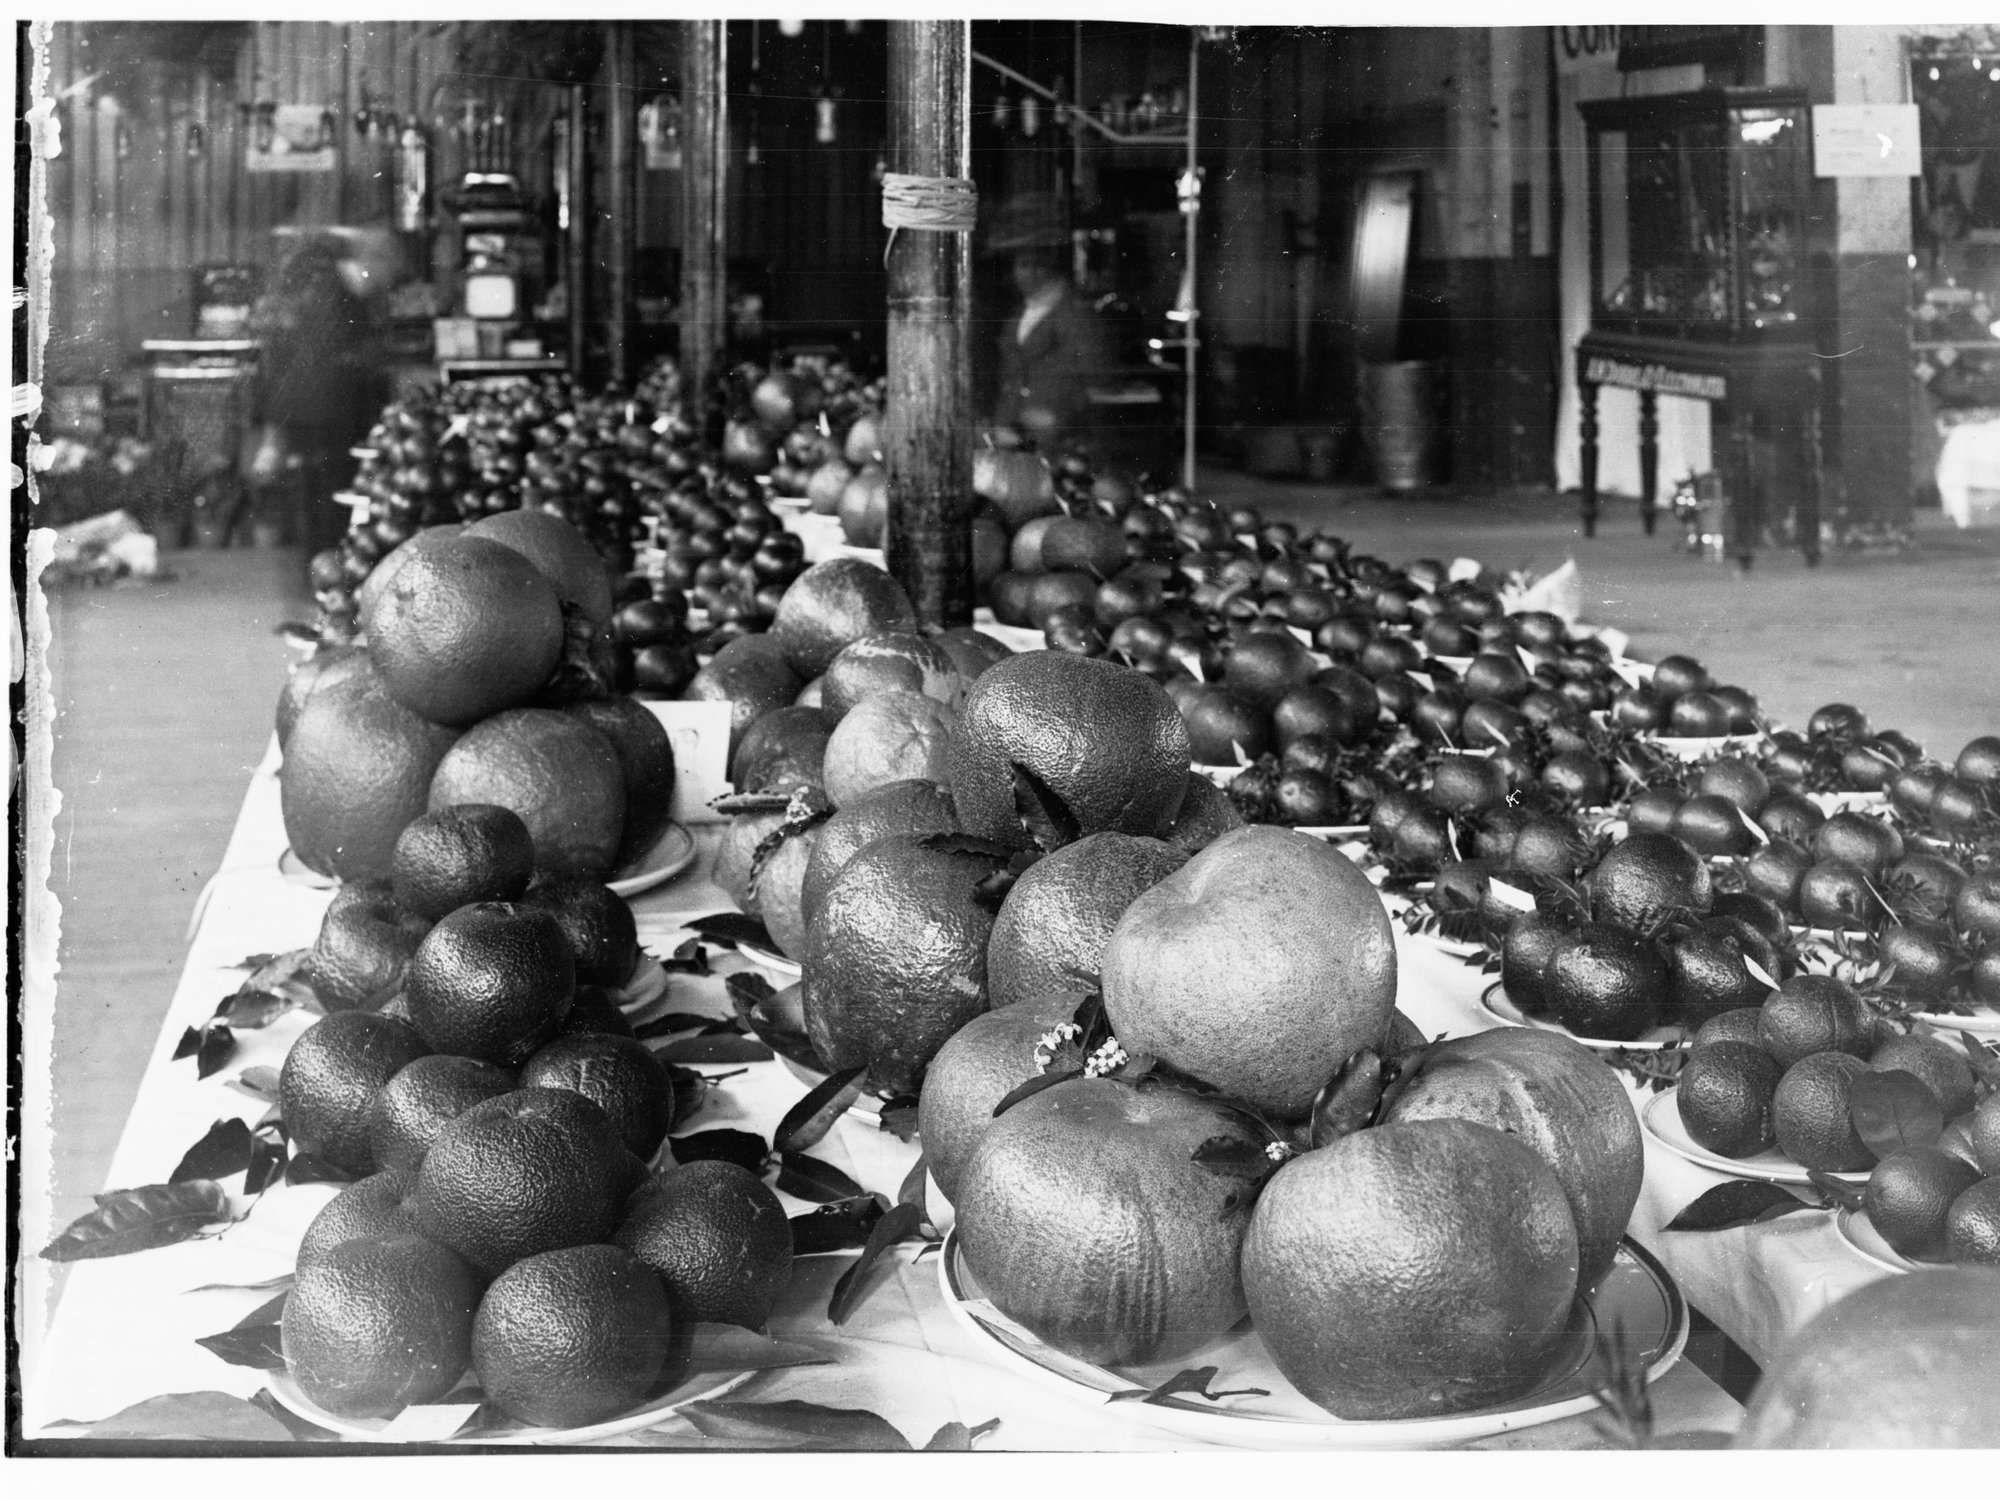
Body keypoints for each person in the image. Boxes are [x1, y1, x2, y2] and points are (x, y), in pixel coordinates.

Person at [988, 203, 1113, 455]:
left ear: (1047, 268)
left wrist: (1051, 419)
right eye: (1020, 265)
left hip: (1055, 441)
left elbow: (1091, 381)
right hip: (1011, 438)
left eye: (1033, 264)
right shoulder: (1018, 314)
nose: (1024, 273)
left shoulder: (1074, 315)